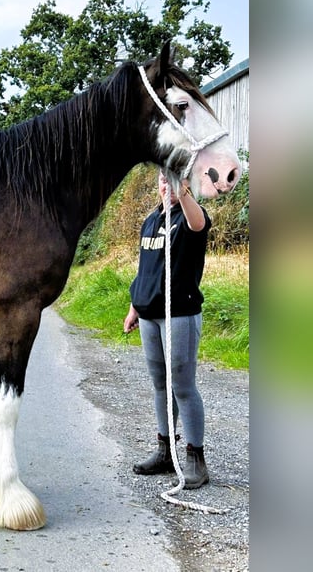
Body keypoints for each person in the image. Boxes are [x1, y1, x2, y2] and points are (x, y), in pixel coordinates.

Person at [123, 168, 211, 489]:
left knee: (183, 386)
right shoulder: (150, 221)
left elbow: (198, 224)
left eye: (173, 180)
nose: (167, 185)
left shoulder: (190, 216)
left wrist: (182, 189)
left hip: (180, 314)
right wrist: (135, 306)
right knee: (160, 385)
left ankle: (195, 459)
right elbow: (146, 267)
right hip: (149, 314)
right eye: (164, 179)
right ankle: (165, 450)